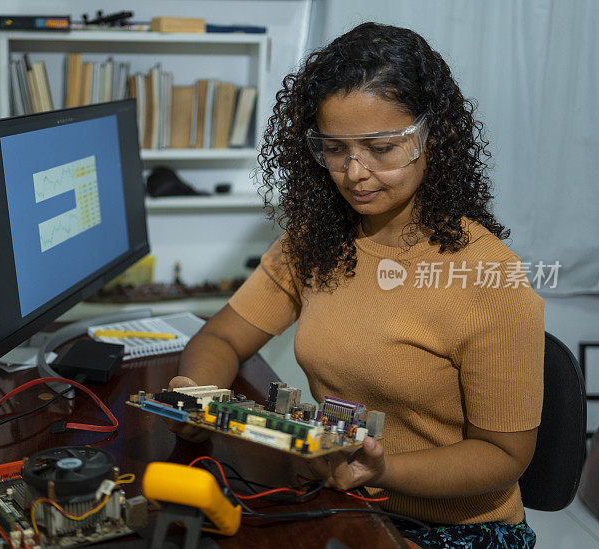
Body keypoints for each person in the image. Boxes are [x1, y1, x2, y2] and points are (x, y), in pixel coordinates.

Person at [168, 22, 543, 549]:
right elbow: (222, 339)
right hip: (346, 501)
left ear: (435, 135)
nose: (354, 172)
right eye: (335, 148)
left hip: (454, 530)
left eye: (381, 148)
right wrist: (198, 399)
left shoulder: (491, 283)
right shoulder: (318, 241)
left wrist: (382, 468)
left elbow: (504, 457)